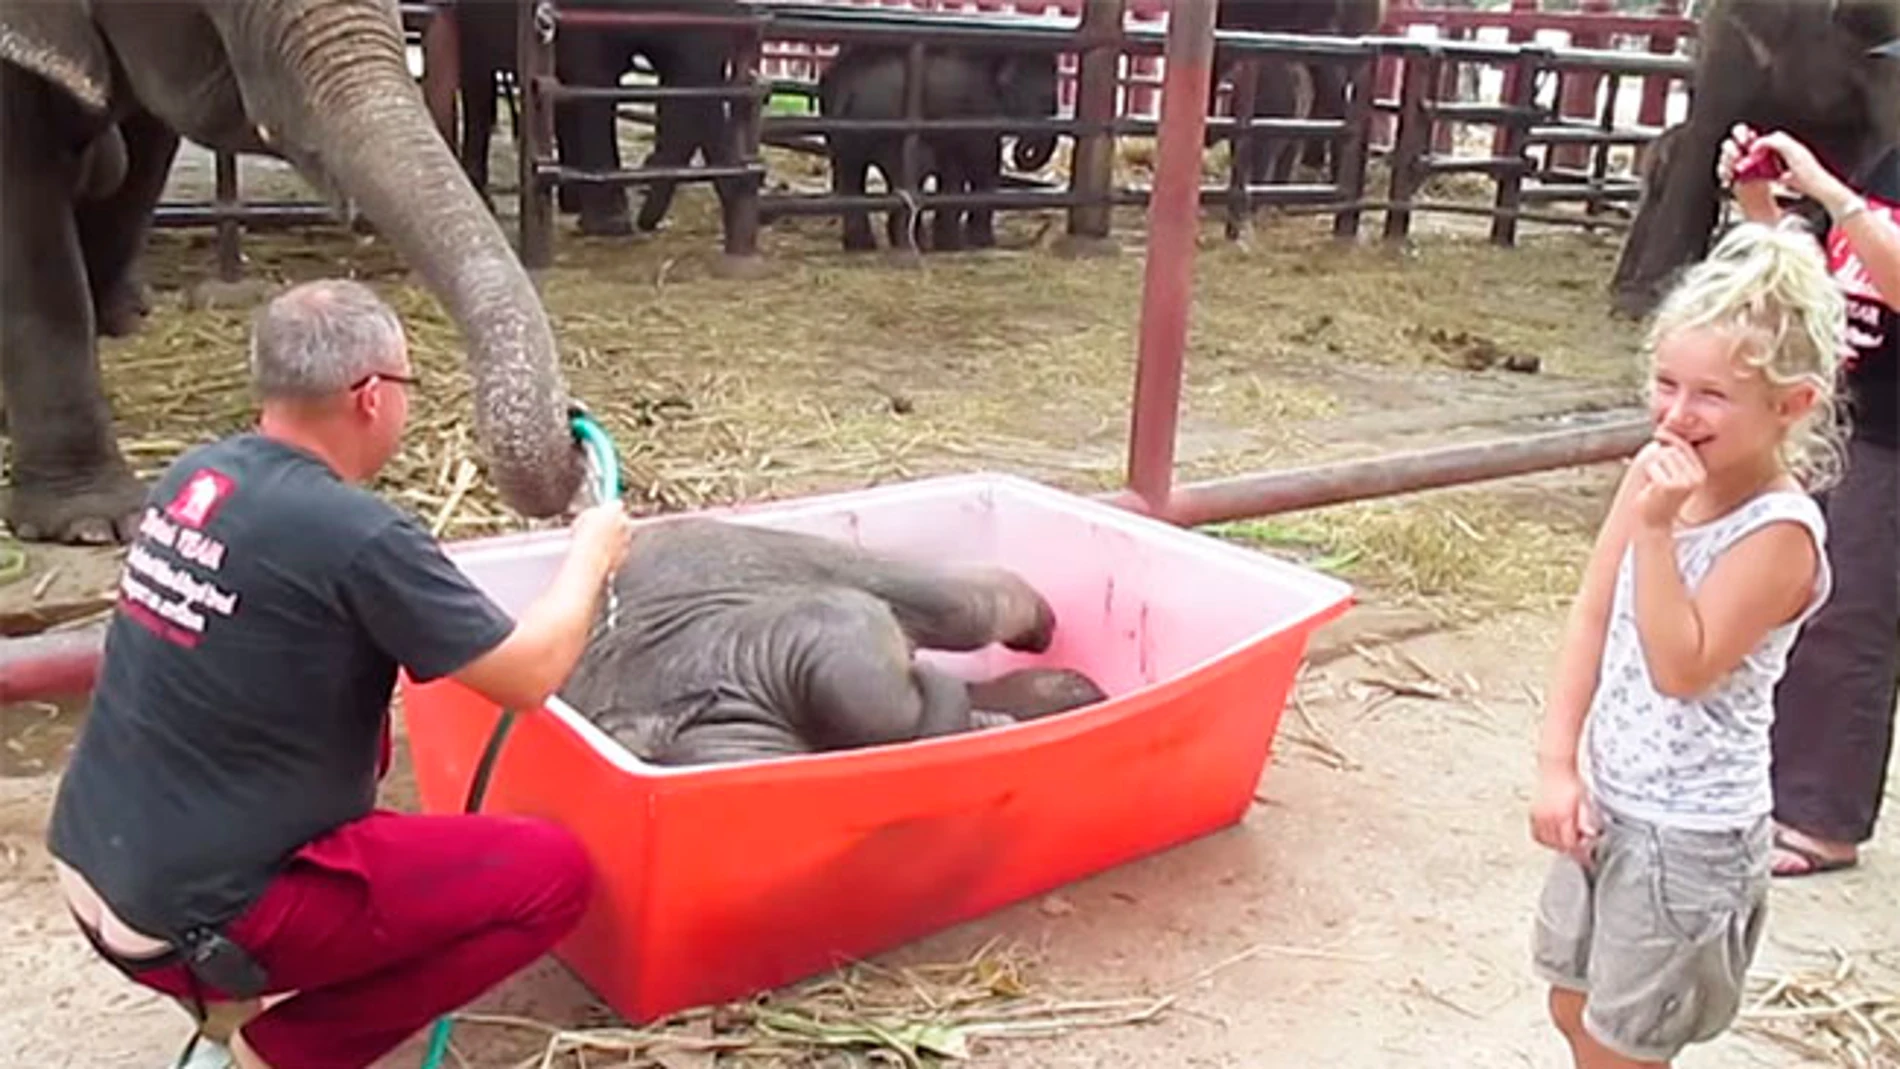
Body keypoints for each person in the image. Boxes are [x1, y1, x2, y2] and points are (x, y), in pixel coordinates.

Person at [44, 279, 636, 1069]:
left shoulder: (195, 476)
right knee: (548, 875)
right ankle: (278, 1051)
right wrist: (591, 553)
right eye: (408, 389)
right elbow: (529, 678)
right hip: (193, 921)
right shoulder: (359, 534)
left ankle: (225, 994)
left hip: (94, 866)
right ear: (369, 395)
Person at [1529, 220, 1845, 1067]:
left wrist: (1660, 531)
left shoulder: (1781, 531)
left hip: (1689, 834)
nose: (1676, 413)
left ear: (1792, 405)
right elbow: (1593, 614)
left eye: (1710, 395)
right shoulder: (1652, 471)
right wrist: (1559, 764)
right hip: (1612, 799)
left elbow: (1683, 666)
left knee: (1625, 1046)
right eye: (1665, 383)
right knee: (1571, 1000)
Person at [1717, 108, 1900, 878]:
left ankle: (1823, 818)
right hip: (1842, 420)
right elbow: (1832, 287)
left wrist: (1830, 190)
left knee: (1852, 619)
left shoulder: (1864, 182)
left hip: (1896, 437)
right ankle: (1771, 790)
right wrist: (1764, 206)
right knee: (1793, 603)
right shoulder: (1892, 163)